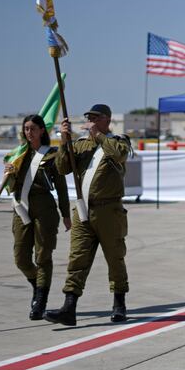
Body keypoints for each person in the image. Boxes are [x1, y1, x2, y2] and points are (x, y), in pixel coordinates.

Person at [44, 104, 132, 326]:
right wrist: (65, 142)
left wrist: (99, 136)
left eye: (96, 118)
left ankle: (119, 304)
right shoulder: (81, 145)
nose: (91, 121)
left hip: (109, 211)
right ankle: (69, 306)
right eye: (89, 118)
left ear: (107, 120)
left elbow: (119, 155)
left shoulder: (118, 141)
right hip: (83, 210)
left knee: (115, 258)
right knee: (77, 258)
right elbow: (63, 168)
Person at [3, 115, 71, 320]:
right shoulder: (17, 155)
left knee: (42, 256)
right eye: (25, 129)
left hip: (44, 208)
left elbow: (61, 187)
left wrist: (66, 214)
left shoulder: (51, 155)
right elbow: (11, 186)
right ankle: (36, 283)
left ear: (42, 130)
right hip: (21, 208)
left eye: (32, 128)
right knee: (21, 258)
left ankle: (40, 301)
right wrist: (8, 173)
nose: (28, 132)